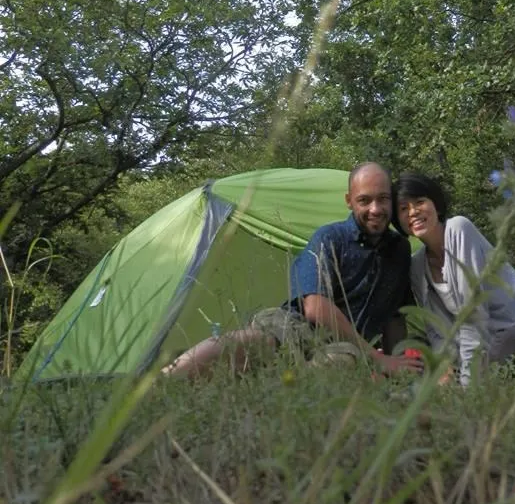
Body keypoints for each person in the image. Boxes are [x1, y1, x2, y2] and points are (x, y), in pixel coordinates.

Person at [163, 162, 423, 378]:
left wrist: (396, 363)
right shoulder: (330, 237)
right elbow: (315, 307)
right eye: (364, 200)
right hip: (297, 327)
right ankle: (165, 380)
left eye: (383, 199)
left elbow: (395, 317)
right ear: (348, 201)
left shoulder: (400, 250)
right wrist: (377, 358)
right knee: (259, 340)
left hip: (348, 349)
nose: (375, 209)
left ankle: (278, 391)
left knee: (343, 360)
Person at [393, 172, 515, 386]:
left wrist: (469, 387)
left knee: (505, 345)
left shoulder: (459, 229)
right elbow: (438, 332)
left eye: (420, 202)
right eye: (404, 209)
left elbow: (473, 315)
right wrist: (446, 369)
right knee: (420, 358)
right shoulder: (417, 265)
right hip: (487, 352)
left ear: (436, 205)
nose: (413, 212)